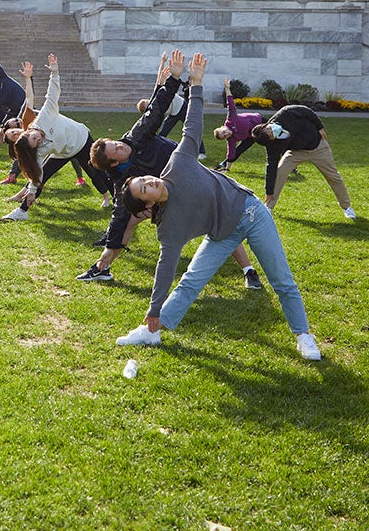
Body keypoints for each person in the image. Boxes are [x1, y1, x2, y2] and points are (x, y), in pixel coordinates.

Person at [114, 51, 322, 362]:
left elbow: (192, 127)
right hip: (222, 233)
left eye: (146, 178)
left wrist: (195, 85)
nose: (150, 181)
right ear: (146, 204)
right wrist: (153, 310)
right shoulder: (168, 229)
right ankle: (152, 330)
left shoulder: (178, 164)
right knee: (189, 282)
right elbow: (165, 270)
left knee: (282, 280)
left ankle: (304, 335)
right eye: (145, 187)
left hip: (251, 213)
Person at [81, 54, 260, 288]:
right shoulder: (122, 181)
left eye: (116, 142)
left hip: (186, 172)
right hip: (160, 192)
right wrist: (111, 242)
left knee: (218, 218)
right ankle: (102, 267)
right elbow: (120, 211)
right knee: (126, 221)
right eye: (116, 149)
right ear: (113, 163)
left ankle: (248, 271)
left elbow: (155, 111)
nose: (121, 144)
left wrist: (174, 78)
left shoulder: (136, 138)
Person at [2, 55, 111, 220]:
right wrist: (31, 192)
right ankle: (21, 212)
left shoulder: (44, 116)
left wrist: (54, 73)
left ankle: (117, 200)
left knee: (97, 171)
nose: (39, 139)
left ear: (28, 131)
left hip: (81, 140)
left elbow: (52, 94)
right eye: (37, 142)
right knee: (42, 176)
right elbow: (36, 174)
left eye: (35, 137)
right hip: (63, 152)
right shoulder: (36, 150)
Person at [240, 104, 357, 219]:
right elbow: (271, 167)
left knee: (333, 176)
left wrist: (320, 127)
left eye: (270, 130)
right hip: (296, 152)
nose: (273, 132)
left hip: (318, 147)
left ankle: (347, 208)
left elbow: (306, 111)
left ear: (266, 125)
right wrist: (269, 191)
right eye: (272, 136)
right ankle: (269, 207)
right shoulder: (272, 145)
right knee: (280, 172)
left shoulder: (285, 113)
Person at [213, 79, 265, 171]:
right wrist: (228, 169)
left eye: (224, 132)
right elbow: (231, 152)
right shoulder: (231, 139)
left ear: (223, 127)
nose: (227, 134)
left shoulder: (231, 119)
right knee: (239, 150)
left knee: (277, 131)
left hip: (259, 121)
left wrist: (227, 89)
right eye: (224, 136)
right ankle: (225, 166)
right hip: (251, 136)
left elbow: (230, 104)